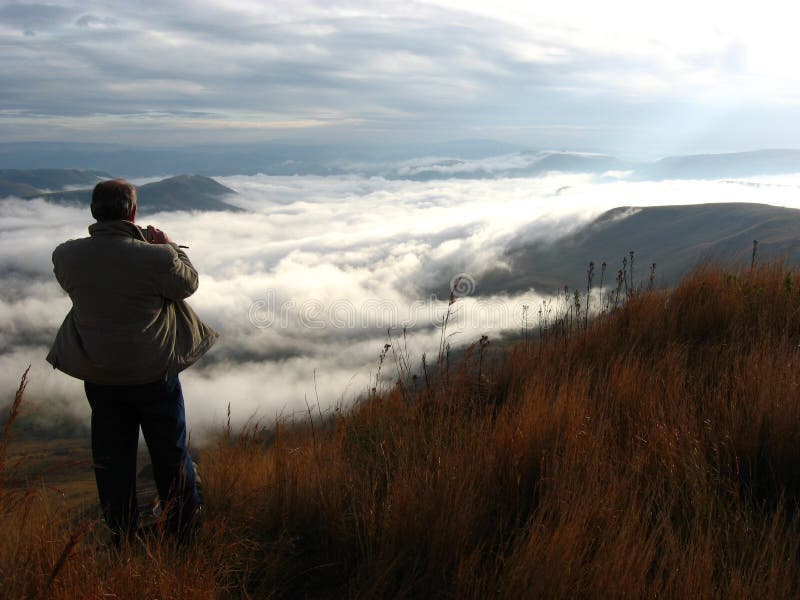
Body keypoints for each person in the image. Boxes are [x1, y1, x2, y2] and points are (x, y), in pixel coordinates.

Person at [46, 179, 218, 545]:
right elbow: (188, 284)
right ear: (133, 212)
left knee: (111, 460)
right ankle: (183, 529)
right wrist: (168, 245)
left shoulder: (67, 255)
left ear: (95, 211)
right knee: (170, 452)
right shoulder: (156, 257)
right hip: (154, 373)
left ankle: (122, 535)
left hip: (102, 374)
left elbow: (79, 279)